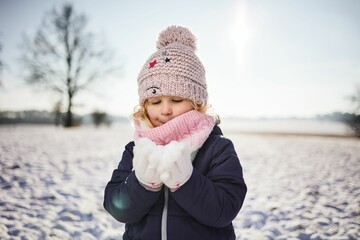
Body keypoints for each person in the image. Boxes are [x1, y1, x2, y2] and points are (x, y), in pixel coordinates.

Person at [103, 25, 247, 240]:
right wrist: (142, 184)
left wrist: (187, 182)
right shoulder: (135, 149)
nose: (165, 109)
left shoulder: (217, 148)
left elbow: (224, 211)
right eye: (155, 101)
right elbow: (117, 208)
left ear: (197, 102)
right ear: (144, 105)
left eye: (177, 100)